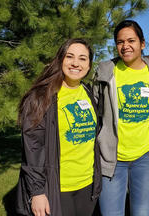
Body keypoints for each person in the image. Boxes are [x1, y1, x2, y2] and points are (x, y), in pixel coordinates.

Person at [16, 38, 102, 216]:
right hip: (57, 187)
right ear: (60, 59)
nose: (75, 63)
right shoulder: (41, 96)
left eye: (82, 58)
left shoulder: (87, 92)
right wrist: (37, 192)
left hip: (87, 184)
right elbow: (32, 149)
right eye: (70, 56)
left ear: (89, 65)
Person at [92, 20, 149, 216]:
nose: (125, 46)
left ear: (142, 43)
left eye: (131, 40)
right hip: (112, 159)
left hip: (144, 159)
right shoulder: (106, 71)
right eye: (120, 42)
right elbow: (94, 110)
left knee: (142, 213)